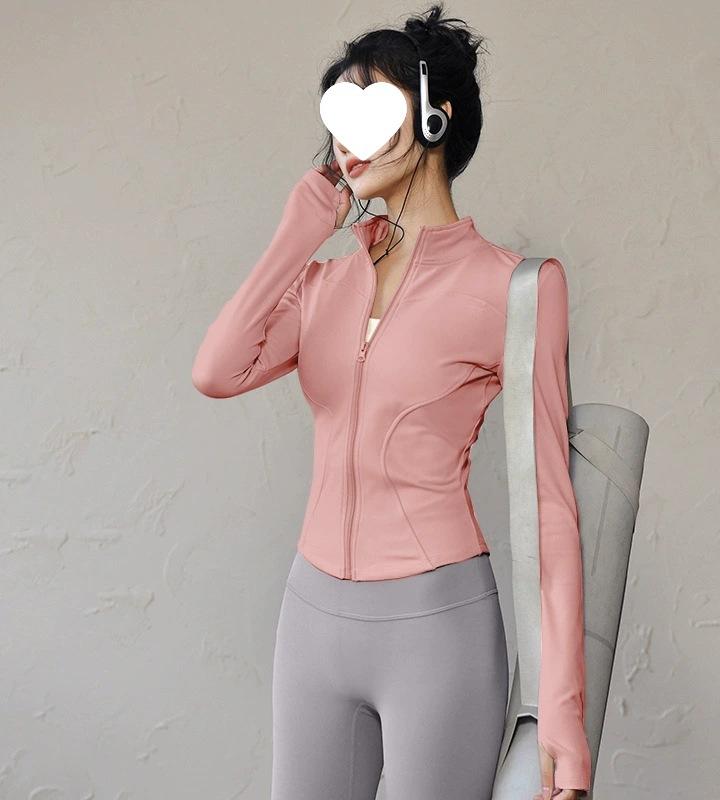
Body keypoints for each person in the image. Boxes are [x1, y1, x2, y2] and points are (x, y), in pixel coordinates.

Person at [191, 4, 591, 799]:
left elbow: (552, 507)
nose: (347, 139)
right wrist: (297, 235)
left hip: (436, 629)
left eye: (372, 110)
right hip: (311, 622)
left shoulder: (516, 288)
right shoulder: (322, 283)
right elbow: (215, 370)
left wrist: (562, 716)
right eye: (338, 115)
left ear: (435, 117)